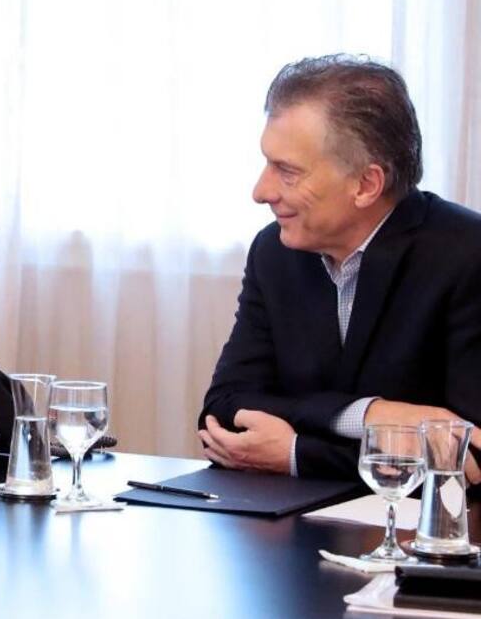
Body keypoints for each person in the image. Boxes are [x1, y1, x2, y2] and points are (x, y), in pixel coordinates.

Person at [199, 54, 481, 480]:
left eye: (287, 171)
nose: (261, 191)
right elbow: (222, 412)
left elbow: (469, 457)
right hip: (288, 519)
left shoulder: (467, 255)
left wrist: (296, 451)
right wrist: (369, 415)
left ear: (366, 184)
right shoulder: (274, 252)